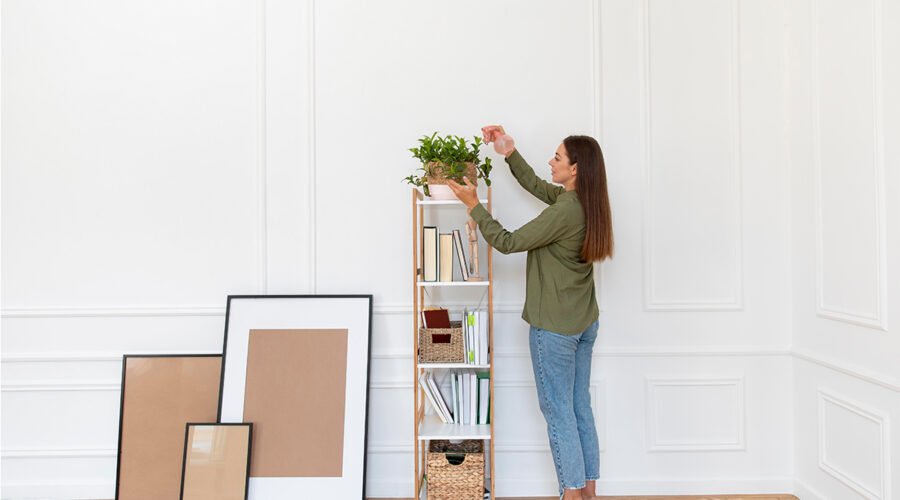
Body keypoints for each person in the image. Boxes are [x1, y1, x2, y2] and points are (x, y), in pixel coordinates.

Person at [446, 125, 614, 500]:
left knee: (559, 415)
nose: (550, 161)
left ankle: (570, 495)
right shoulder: (586, 202)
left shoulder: (566, 211)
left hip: (554, 328)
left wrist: (473, 205)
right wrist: (509, 152)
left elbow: (507, 242)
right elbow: (539, 187)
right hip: (584, 322)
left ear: (575, 169)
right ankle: (588, 492)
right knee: (579, 408)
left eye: (557, 158)